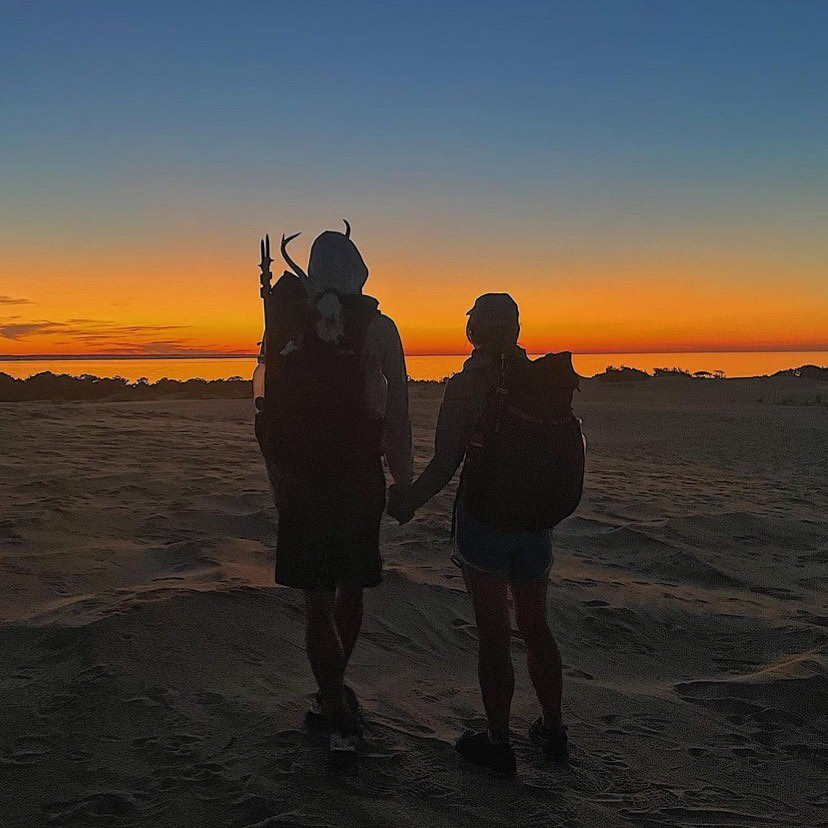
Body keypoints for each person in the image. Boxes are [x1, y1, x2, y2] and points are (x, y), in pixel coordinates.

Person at [387, 293, 571, 777]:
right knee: (535, 625)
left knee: (493, 635)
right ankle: (553, 730)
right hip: (536, 525)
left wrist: (406, 501)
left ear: (474, 331)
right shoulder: (538, 381)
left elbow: (446, 462)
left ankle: (498, 742)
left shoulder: (468, 386)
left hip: (486, 523)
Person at [258, 223, 412, 758]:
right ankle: (335, 697)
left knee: (316, 599)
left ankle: (332, 700)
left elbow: (267, 400)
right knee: (351, 586)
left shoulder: (286, 323)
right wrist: (404, 477)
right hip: (359, 476)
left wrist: (277, 474)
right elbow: (397, 408)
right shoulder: (380, 326)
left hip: (301, 478)